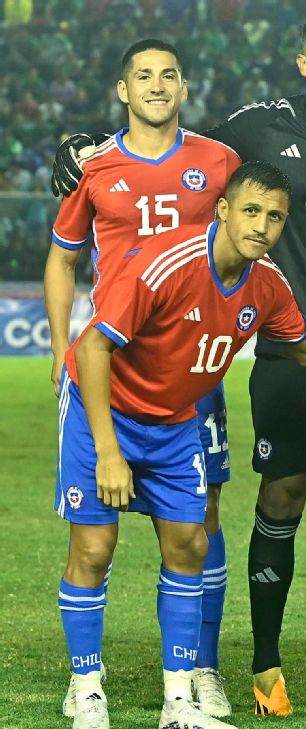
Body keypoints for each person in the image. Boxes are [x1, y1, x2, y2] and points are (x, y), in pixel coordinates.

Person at [52, 9, 306, 715]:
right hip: (192, 383)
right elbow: (161, 135)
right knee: (231, 512)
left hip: (267, 388)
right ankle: (183, 673)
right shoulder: (236, 159)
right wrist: (83, 149)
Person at [56, 161, 306, 729]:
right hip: (102, 413)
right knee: (94, 550)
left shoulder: (266, 284)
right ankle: (86, 690)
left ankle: (177, 703)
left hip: (177, 422)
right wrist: (108, 451)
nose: (262, 225)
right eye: (251, 210)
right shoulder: (165, 265)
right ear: (223, 209)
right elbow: (91, 351)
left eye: (275, 216)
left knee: (190, 546)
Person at [44, 37, 243, 718]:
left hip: (191, 376)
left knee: (196, 527)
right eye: (142, 76)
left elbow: (249, 232)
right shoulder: (95, 167)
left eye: (168, 75)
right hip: (111, 370)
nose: (156, 85)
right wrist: (54, 346)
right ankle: (86, 681)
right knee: (95, 542)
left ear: (184, 87)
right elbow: (62, 259)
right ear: (123, 91)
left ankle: (194, 678)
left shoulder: (218, 162)